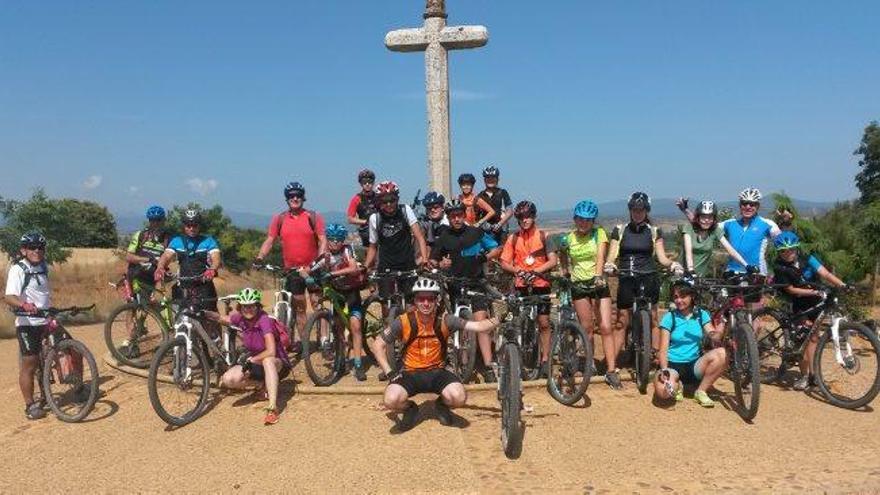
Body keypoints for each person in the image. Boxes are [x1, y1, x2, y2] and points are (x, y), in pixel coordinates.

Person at [373, 277, 500, 431]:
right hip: (410, 372)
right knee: (391, 400)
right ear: (415, 300)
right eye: (421, 299)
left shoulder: (445, 320)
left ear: (437, 300)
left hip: (437, 372)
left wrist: (501, 318)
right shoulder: (404, 321)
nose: (426, 303)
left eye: (430, 299)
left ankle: (441, 405)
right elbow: (378, 345)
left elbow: (479, 326)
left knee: (459, 397)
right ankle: (410, 409)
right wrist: (390, 372)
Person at [5, 233, 82, 420]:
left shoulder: (43, 267)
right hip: (27, 323)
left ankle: (79, 387)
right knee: (29, 365)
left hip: (46, 319)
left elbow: (42, 294)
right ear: (24, 250)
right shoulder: (18, 269)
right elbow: (9, 297)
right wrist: (24, 305)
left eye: (40, 247)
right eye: (32, 247)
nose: (37, 251)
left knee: (73, 349)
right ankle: (30, 405)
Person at [430, 199, 502, 382]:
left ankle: (487, 366)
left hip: (476, 283)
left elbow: (496, 249)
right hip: (454, 285)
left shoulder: (476, 233)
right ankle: (463, 362)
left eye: (459, 215)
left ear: (464, 215)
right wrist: (441, 263)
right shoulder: (443, 238)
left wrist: (485, 257)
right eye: (453, 216)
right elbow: (432, 261)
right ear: (448, 217)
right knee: (460, 324)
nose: (456, 219)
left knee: (481, 322)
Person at [605, 192, 683, 356]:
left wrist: (672, 264)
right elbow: (612, 254)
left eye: (641, 210)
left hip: (648, 276)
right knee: (621, 321)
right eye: (634, 209)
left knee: (653, 318)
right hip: (626, 276)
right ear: (630, 210)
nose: (638, 213)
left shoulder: (654, 231)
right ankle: (613, 361)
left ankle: (654, 354)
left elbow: (661, 257)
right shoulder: (619, 230)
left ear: (646, 210)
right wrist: (610, 264)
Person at [255, 181, 327, 354]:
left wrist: (319, 259)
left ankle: (325, 341)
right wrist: (259, 257)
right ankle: (305, 344)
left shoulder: (313, 216)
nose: (295, 198)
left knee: (318, 305)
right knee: (300, 308)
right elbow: (270, 240)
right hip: (292, 271)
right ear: (287, 199)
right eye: (291, 196)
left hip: (313, 268)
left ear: (303, 198)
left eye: (298, 195)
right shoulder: (279, 219)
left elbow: (323, 238)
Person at [771, 231, 847, 391]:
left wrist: (842, 285)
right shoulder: (779, 266)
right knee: (807, 338)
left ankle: (812, 375)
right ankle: (806, 375)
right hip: (799, 303)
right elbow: (791, 289)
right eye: (784, 251)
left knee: (813, 338)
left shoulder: (808, 258)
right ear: (779, 252)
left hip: (817, 302)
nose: (788, 253)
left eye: (791, 249)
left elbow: (825, 273)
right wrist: (814, 292)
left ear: (796, 248)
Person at [558, 200, 620, 389]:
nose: (584, 223)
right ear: (575, 219)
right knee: (587, 328)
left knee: (606, 326)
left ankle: (611, 370)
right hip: (579, 285)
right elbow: (562, 254)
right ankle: (590, 363)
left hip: (597, 282)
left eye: (588, 220)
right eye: (580, 219)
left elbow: (601, 256)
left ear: (593, 221)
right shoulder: (568, 239)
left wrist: (599, 275)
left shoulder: (598, 234)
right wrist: (564, 271)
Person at [213, 288, 291, 425]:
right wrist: (205, 314)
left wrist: (253, 359)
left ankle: (273, 408)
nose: (248, 309)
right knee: (229, 379)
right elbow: (223, 319)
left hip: (277, 364)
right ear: (240, 307)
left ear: (257, 306)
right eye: (244, 306)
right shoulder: (240, 318)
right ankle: (262, 385)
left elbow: (271, 351)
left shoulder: (264, 320)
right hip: (256, 364)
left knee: (267, 360)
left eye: (252, 306)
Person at [499, 200, 558, 377]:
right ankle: (517, 358)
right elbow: (504, 262)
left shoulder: (544, 236)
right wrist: (519, 271)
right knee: (518, 322)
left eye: (528, 216)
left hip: (541, 284)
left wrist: (535, 271)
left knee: (544, 322)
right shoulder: (513, 238)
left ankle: (545, 360)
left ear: (534, 217)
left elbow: (553, 260)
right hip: (521, 285)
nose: (525, 220)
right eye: (522, 217)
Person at [307, 223, 370, 381]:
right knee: (339, 328)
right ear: (327, 240)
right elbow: (310, 268)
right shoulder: (325, 256)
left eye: (339, 239)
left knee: (355, 326)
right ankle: (341, 360)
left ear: (343, 240)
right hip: (337, 293)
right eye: (332, 239)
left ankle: (357, 363)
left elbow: (353, 267)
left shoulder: (347, 250)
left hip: (351, 291)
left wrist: (333, 274)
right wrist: (304, 275)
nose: (335, 242)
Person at [654, 280, 726, 407]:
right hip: (673, 365)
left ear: (691, 296)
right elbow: (663, 349)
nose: (679, 301)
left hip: (694, 365)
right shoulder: (669, 317)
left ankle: (701, 391)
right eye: (676, 297)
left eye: (683, 296)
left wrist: (721, 326)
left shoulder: (701, 315)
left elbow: (713, 336)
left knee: (722, 354)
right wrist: (664, 370)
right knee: (664, 393)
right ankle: (678, 385)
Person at [363, 180, 430, 299]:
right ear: (379, 202)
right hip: (386, 264)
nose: (389, 204)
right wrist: (365, 266)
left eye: (392, 200)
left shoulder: (405, 210)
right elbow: (373, 246)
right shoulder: (375, 218)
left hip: (407, 263)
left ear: (397, 199)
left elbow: (419, 237)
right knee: (386, 302)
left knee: (411, 303)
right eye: (384, 201)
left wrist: (424, 260)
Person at [155, 209, 222, 314]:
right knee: (180, 318)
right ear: (184, 226)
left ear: (199, 226)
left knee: (210, 317)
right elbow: (166, 256)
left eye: (195, 225)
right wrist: (160, 268)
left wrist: (212, 269)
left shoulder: (208, 241)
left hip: (204, 286)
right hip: (183, 286)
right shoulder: (177, 241)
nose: (192, 228)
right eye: (188, 225)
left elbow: (216, 258)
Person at [677, 200, 750, 278]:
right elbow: (688, 252)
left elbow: (731, 250)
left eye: (710, 217)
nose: (707, 220)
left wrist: (747, 265)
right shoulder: (689, 228)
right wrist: (691, 269)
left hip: (700, 277)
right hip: (682, 274)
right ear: (698, 217)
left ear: (714, 218)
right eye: (703, 217)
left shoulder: (715, 230)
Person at [720, 187, 780, 276]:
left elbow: (784, 241)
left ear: (758, 206)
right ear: (740, 205)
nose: (748, 207)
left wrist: (786, 223)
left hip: (756, 273)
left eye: (752, 204)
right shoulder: (730, 223)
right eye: (744, 204)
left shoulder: (767, 224)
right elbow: (706, 226)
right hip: (732, 272)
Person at [125, 205, 170, 298]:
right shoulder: (140, 235)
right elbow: (129, 257)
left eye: (159, 220)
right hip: (137, 275)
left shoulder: (167, 238)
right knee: (137, 305)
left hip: (156, 277)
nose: (156, 223)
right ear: (149, 221)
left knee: (158, 303)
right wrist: (148, 259)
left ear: (163, 220)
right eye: (152, 220)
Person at [475, 166, 513, 244]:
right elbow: (477, 215)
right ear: (484, 180)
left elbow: (510, 211)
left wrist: (500, 224)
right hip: (486, 230)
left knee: (502, 253)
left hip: (501, 230)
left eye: (493, 177)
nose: (490, 180)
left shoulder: (503, 192)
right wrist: (484, 224)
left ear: (498, 179)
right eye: (488, 177)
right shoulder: (480, 195)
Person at [347, 169, 378, 247]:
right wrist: (366, 222)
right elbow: (350, 219)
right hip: (366, 231)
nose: (367, 184)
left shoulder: (379, 197)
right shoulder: (356, 199)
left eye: (370, 182)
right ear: (361, 184)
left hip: (379, 229)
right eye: (364, 182)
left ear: (373, 183)